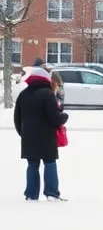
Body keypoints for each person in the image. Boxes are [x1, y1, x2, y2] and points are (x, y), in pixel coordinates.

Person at [14, 65, 69, 201]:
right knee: (49, 162)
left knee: (32, 164)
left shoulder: (23, 94)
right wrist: (64, 116)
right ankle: (51, 193)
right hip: (47, 137)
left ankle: (31, 194)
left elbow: (17, 118)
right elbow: (54, 117)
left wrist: (23, 133)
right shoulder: (47, 94)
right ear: (46, 79)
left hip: (29, 137)